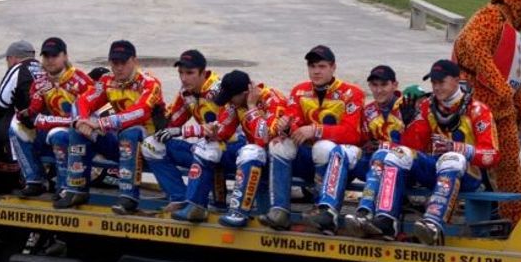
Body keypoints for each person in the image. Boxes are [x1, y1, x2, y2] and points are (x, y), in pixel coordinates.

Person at [366, 60, 498, 245]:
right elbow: (413, 149)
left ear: (456, 80)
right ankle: (386, 219)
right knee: (398, 154)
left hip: (471, 175)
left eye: (441, 82)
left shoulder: (478, 110)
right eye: (433, 83)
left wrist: (457, 148)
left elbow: (492, 155)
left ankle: (433, 223)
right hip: (437, 169)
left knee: (451, 158)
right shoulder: (428, 106)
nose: (436, 87)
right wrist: (409, 123)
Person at [260, 45, 365, 231]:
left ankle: (322, 209)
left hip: (338, 164)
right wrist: (286, 127)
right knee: (279, 145)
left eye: (322, 66)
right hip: (307, 157)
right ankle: (279, 210)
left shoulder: (352, 93)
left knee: (323, 146)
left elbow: (352, 134)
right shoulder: (299, 91)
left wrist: (315, 130)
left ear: (333, 67)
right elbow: (294, 118)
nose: (316, 71)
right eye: (312, 66)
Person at [58, 39, 164, 212]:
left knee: (131, 132)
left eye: (124, 62)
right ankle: (76, 190)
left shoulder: (150, 83)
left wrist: (101, 123)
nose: (119, 67)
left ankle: (128, 198)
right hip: (120, 144)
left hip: (149, 147)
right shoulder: (107, 81)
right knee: (78, 129)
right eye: (115, 63)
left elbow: (140, 112)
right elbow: (83, 100)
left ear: (134, 61)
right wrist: (81, 121)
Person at [310, 64, 410, 235]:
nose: (379, 90)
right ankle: (328, 211)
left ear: (395, 85)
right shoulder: (369, 110)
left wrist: (399, 135)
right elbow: (359, 139)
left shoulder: (408, 107)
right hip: (372, 164)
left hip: (399, 168)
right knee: (340, 151)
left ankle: (364, 212)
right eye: (374, 85)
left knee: (381, 155)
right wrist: (365, 145)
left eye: (384, 85)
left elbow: (418, 148)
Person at [141, 49, 233, 222]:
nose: (184, 78)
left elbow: (219, 130)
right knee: (150, 144)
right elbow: (171, 122)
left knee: (204, 147)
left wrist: (181, 131)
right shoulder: (187, 93)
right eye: (181, 73)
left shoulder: (220, 90)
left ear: (203, 73)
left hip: (231, 150)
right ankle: (179, 198)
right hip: (205, 150)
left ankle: (196, 204)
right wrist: (153, 110)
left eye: (190, 73)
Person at [8, 36, 92, 200]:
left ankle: (65, 187)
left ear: (65, 56)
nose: (50, 60)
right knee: (15, 127)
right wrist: (24, 115)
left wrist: (45, 121)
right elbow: (34, 109)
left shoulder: (81, 80)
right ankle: (35, 180)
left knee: (57, 134)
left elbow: (92, 114)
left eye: (55, 56)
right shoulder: (40, 82)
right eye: (46, 56)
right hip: (52, 131)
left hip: (79, 134)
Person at [210, 70, 290, 228]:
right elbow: (223, 131)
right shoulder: (236, 102)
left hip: (279, 159)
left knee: (251, 151)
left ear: (245, 93)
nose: (229, 103)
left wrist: (252, 107)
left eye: (231, 98)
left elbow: (264, 139)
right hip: (256, 160)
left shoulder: (273, 99)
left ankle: (239, 213)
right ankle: (205, 203)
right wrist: (210, 132)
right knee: (209, 149)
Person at [0, 40, 41, 197]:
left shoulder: (17, 69)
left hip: (29, 124)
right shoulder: (43, 68)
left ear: (14, 58)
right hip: (48, 123)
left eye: (7, 59)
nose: (7, 63)